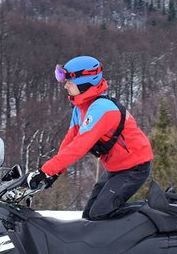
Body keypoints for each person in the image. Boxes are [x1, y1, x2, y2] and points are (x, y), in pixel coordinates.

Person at [27, 55, 154, 220]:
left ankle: (157, 211)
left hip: (135, 167)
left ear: (84, 84)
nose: (65, 86)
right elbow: (69, 141)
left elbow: (79, 146)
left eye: (69, 83)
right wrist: (54, 173)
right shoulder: (80, 108)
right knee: (89, 216)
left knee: (101, 213)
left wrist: (44, 171)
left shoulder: (102, 109)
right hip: (115, 168)